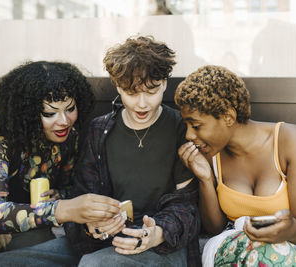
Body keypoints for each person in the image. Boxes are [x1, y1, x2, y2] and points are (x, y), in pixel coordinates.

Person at [175, 65, 296, 266]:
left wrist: (289, 229)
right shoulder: (211, 153)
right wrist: (205, 179)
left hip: (293, 248)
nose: (189, 135)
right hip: (237, 251)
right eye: (187, 125)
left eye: (196, 125)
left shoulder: (289, 140)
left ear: (228, 117)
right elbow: (214, 228)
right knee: (270, 255)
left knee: (281, 255)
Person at [63, 35, 201, 267]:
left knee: (94, 265)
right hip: (105, 241)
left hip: (163, 243)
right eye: (132, 93)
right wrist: (92, 225)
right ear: (117, 86)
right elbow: (84, 194)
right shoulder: (100, 130)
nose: (142, 104)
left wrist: (157, 233)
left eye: (151, 91)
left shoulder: (180, 128)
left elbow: (187, 205)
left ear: (165, 82)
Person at [0, 60, 111, 267]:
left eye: (70, 109)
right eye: (50, 113)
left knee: (44, 244)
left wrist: (61, 195)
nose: (64, 121)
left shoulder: (70, 137)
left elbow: (68, 187)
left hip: (21, 215)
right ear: (28, 114)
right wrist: (60, 209)